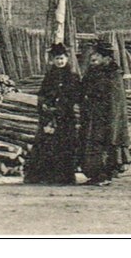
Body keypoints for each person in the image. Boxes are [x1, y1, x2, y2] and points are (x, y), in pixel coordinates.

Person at [24, 43, 81, 185]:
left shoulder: (73, 77)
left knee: (64, 145)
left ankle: (63, 177)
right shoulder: (49, 76)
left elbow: (75, 96)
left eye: (62, 58)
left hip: (65, 117)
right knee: (46, 145)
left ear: (67, 59)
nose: (59, 62)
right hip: (49, 117)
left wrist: (61, 105)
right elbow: (42, 94)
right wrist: (44, 104)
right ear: (52, 60)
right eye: (57, 59)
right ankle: (43, 176)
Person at [79, 42, 130, 186]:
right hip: (92, 115)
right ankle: (95, 175)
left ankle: (105, 175)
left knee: (106, 144)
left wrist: (112, 120)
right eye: (93, 56)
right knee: (91, 144)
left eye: (96, 56)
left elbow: (115, 100)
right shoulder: (92, 71)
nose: (93, 58)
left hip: (106, 116)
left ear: (106, 58)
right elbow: (83, 89)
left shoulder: (113, 74)